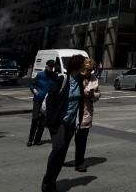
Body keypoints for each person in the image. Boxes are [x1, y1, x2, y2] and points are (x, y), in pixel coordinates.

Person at [42, 54, 86, 192]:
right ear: (77, 65)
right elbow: (50, 100)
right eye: (83, 64)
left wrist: (78, 122)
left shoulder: (80, 80)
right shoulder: (63, 78)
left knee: (62, 155)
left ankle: (52, 181)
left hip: (71, 124)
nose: (85, 67)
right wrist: (51, 121)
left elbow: (81, 101)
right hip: (58, 122)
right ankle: (47, 181)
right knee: (58, 148)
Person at [75, 57, 101, 172]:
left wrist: (92, 95)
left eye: (90, 70)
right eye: (87, 69)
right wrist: (82, 91)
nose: (88, 72)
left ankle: (79, 162)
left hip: (86, 112)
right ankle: (58, 160)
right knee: (64, 141)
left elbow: (98, 94)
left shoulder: (94, 79)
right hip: (73, 112)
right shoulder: (75, 77)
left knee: (81, 140)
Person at [28, 59, 58, 146]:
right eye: (50, 67)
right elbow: (32, 84)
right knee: (35, 119)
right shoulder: (40, 75)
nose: (51, 68)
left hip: (48, 101)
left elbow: (56, 87)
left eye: (52, 67)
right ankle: (30, 139)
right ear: (46, 66)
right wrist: (34, 90)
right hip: (38, 99)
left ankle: (37, 140)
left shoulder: (54, 76)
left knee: (42, 121)